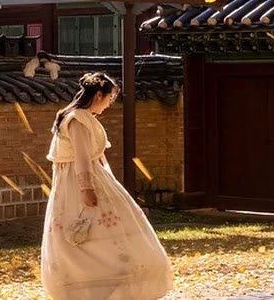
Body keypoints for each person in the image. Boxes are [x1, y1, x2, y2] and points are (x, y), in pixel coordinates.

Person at [41, 72, 174, 299]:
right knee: (83, 232)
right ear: (99, 94)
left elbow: (97, 158)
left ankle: (116, 281)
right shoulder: (76, 119)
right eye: (109, 98)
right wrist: (87, 189)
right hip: (77, 182)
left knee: (105, 231)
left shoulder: (85, 118)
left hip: (94, 178)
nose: (109, 104)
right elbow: (82, 157)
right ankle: (93, 286)